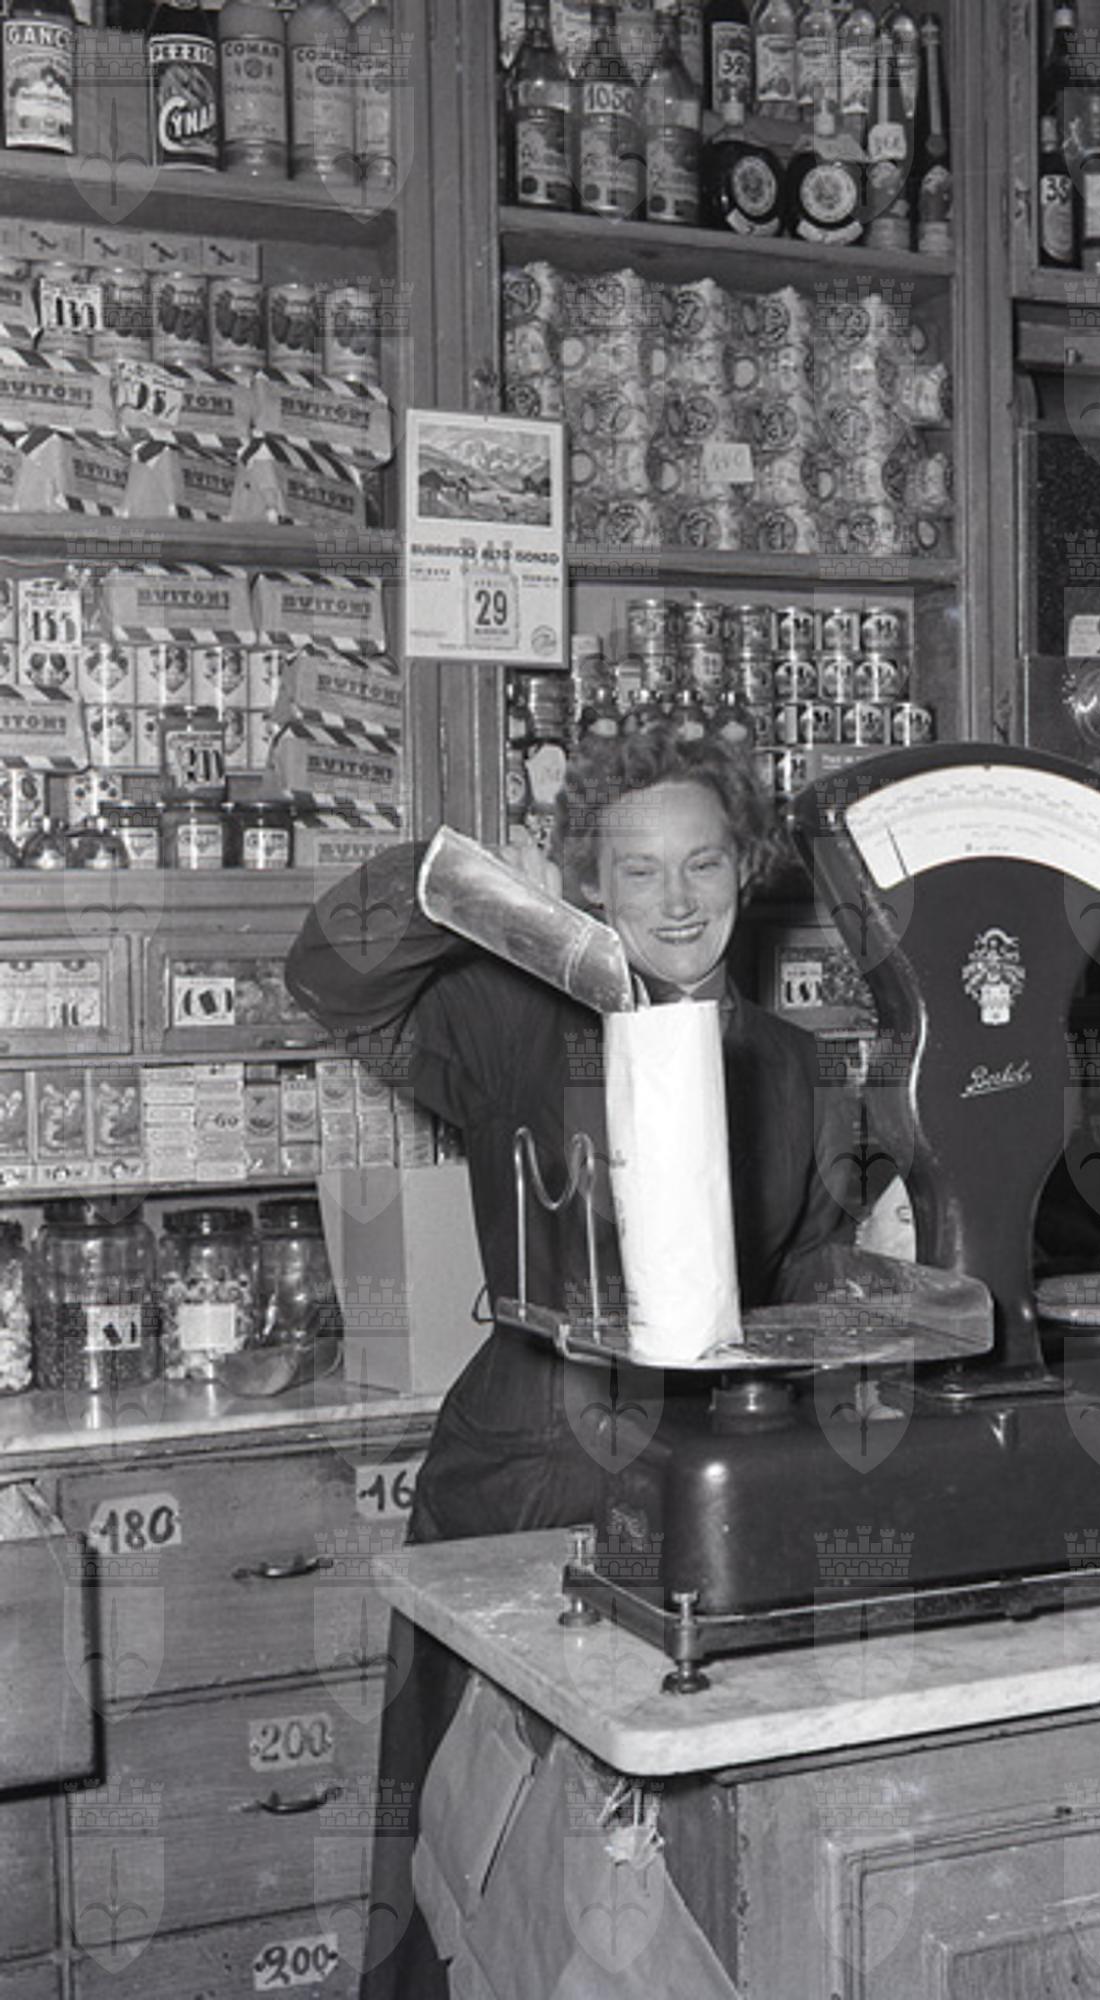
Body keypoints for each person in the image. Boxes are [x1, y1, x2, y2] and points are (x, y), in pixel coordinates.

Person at [286, 726, 849, 1998]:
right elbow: (329, 972)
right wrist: (457, 879)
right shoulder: (511, 1016)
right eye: (636, 868)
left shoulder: (788, 1060)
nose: (675, 899)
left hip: (710, 1487)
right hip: (526, 1468)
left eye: (703, 862)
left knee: (658, 1861)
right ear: (589, 878)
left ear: (748, 866)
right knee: (473, 1828)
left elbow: (806, 1266)